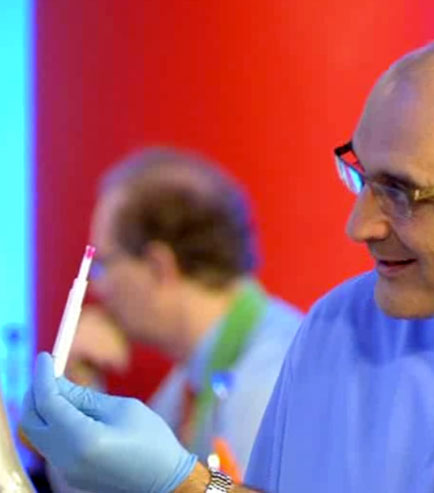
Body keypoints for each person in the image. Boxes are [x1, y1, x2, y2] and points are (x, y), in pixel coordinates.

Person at [21, 24, 434, 493]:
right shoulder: (340, 329)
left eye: (402, 193)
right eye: (360, 177)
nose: (359, 226)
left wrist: (183, 485)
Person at [47, 147, 303, 488]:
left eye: (105, 263)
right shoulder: (193, 376)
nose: (98, 288)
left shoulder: (268, 377)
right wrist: (79, 387)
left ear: (158, 266)